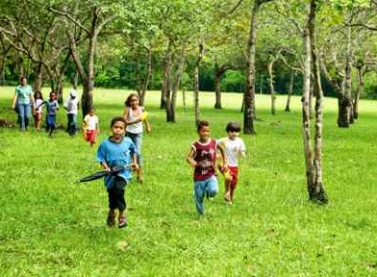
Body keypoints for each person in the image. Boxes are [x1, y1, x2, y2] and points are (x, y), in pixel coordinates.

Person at [97, 117, 138, 228]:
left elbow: (134, 151)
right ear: (111, 128)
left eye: (121, 128)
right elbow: (101, 158)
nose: (118, 130)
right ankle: (111, 212)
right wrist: (106, 167)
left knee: (118, 189)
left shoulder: (128, 141)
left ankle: (122, 215)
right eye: (116, 127)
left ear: (124, 130)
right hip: (110, 174)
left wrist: (134, 162)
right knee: (112, 195)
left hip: (124, 173)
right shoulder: (104, 144)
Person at [186, 120, 227, 215]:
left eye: (208, 131)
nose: (206, 133)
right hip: (199, 176)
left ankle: (209, 192)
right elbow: (188, 157)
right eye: (203, 131)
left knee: (214, 190)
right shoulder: (196, 145)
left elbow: (222, 149)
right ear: (198, 131)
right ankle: (201, 214)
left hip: (211, 174)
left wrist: (225, 162)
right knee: (199, 197)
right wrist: (194, 163)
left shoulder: (214, 142)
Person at [123, 93, 151, 183]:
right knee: (128, 153)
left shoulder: (141, 108)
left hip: (138, 133)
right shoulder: (128, 109)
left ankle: (140, 175)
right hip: (128, 133)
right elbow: (124, 122)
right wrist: (135, 121)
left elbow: (145, 117)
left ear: (138, 101)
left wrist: (147, 126)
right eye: (132, 101)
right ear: (129, 102)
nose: (134, 102)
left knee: (138, 153)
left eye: (136, 100)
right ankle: (128, 173)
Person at [218, 121, 246, 205]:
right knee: (228, 178)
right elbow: (212, 144)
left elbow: (242, 150)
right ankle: (227, 192)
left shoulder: (240, 141)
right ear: (228, 132)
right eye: (232, 131)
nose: (234, 133)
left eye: (236, 131)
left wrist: (242, 154)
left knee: (233, 183)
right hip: (224, 164)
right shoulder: (223, 141)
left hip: (235, 165)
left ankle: (230, 197)